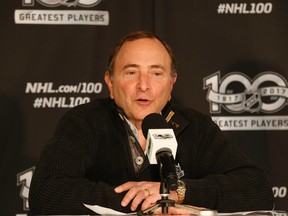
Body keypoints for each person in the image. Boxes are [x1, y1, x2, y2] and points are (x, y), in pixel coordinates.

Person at [29, 31, 274, 215]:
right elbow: (47, 192)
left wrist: (178, 193)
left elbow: (257, 189)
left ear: (171, 84)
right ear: (111, 83)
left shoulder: (195, 127)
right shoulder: (83, 122)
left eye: (156, 73)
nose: (143, 85)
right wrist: (150, 206)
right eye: (131, 72)